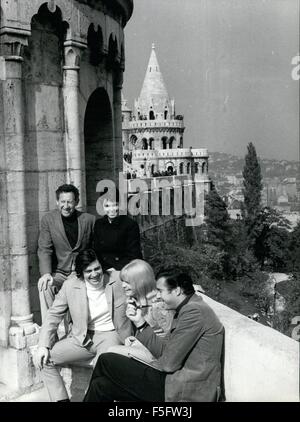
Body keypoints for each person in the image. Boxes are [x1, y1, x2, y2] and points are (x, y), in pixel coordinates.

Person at [83, 267, 224, 402]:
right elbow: (165, 350)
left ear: (177, 291)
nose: (157, 296)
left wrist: (146, 365)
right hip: (172, 381)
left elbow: (168, 364)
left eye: (160, 291)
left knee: (106, 360)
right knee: (100, 386)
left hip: (184, 390)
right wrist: (140, 323)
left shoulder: (194, 312)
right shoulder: (187, 308)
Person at [34, 249, 133, 402]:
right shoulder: (70, 286)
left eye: (97, 268)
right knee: (44, 359)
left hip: (111, 335)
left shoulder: (118, 279)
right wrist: (43, 345)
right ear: (81, 273)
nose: (94, 274)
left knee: (102, 373)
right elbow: (54, 315)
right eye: (88, 271)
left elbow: (142, 287)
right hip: (83, 337)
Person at [37, 184, 95, 321]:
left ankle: (75, 333)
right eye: (62, 201)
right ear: (57, 202)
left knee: (75, 293)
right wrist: (46, 274)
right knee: (44, 286)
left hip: (80, 274)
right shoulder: (48, 220)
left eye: (70, 201)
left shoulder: (89, 220)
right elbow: (44, 249)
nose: (66, 206)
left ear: (76, 202)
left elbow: (94, 248)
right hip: (59, 273)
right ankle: (49, 333)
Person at [93, 189, 142, 271]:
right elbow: (96, 251)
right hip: (103, 268)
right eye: (107, 206)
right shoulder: (99, 224)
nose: (111, 209)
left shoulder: (130, 225)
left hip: (123, 268)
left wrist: (116, 268)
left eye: (115, 205)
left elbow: (134, 254)